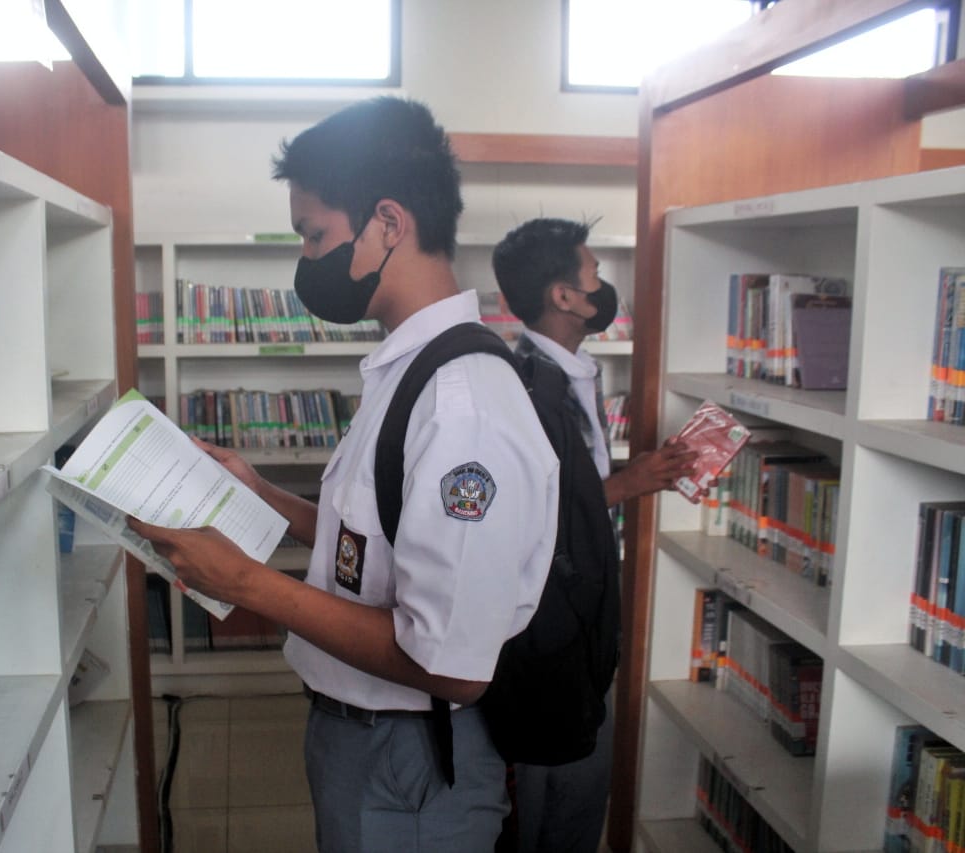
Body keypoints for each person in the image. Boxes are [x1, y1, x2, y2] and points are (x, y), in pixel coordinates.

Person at [128, 97, 559, 853]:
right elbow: (383, 534)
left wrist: (246, 583)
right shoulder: (411, 366)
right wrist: (260, 494)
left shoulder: (462, 410)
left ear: (388, 223)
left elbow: (452, 666)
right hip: (366, 743)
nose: (306, 260)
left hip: (413, 762)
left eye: (315, 234)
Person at [491, 217, 700, 853]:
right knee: (536, 810)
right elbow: (520, 512)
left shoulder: (578, 373)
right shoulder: (520, 385)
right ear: (564, 298)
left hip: (582, 628)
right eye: (594, 277)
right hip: (542, 639)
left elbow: (575, 481)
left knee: (580, 798)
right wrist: (626, 483)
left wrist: (639, 476)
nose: (603, 288)